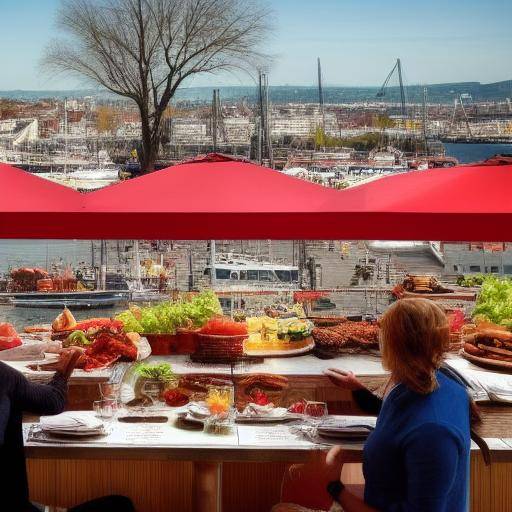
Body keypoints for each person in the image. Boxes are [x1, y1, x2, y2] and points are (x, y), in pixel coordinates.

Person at [321, 298, 472, 512]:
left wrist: (334, 487)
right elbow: (401, 422)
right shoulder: (437, 383)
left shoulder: (433, 432)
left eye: (383, 335)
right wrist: (357, 389)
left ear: (396, 345)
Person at [0, 348, 134, 512]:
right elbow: (53, 400)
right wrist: (63, 373)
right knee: (120, 506)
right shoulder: (4, 376)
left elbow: (52, 400)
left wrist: (62, 373)